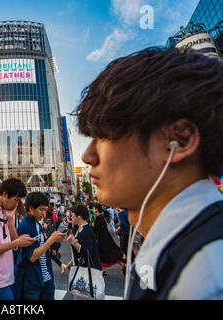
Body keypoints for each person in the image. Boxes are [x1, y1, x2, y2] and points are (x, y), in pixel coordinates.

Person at [74, 47, 223, 299]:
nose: (87, 157)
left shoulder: (204, 276)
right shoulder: (175, 242)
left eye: (105, 136)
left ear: (179, 139)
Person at [0, 178, 37, 300]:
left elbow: (14, 242)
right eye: (16, 200)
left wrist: (10, 220)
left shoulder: (4, 211)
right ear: (4, 194)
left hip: (8, 276)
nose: (17, 204)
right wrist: (16, 242)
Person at [15, 192, 66, 300]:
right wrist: (51, 239)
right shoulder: (25, 226)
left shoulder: (37, 224)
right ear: (31, 208)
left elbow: (43, 249)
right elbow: (32, 256)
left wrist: (54, 239)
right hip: (32, 280)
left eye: (45, 209)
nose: (44, 213)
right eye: (41, 209)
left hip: (46, 277)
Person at [65, 205, 102, 274]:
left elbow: (88, 252)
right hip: (83, 268)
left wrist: (74, 242)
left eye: (72, 215)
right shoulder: (82, 229)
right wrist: (72, 261)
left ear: (79, 216)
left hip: (88, 270)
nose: (71, 217)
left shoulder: (87, 230)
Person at [92, 203, 125, 276]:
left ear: (97, 209)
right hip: (105, 237)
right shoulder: (101, 217)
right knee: (103, 254)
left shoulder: (98, 217)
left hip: (102, 239)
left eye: (94, 208)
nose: (93, 209)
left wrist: (91, 227)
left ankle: (121, 263)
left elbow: (96, 229)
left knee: (105, 254)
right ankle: (103, 270)